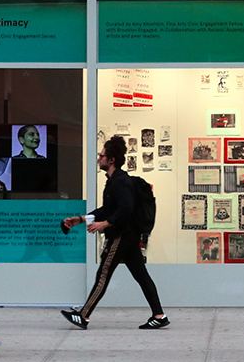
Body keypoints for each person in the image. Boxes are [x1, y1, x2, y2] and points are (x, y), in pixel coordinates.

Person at [60, 135, 169, 330]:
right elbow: (108, 209)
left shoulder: (120, 182)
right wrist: (81, 219)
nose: (99, 159)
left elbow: (125, 209)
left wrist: (105, 224)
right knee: (141, 275)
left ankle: (83, 316)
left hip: (122, 235)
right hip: (127, 235)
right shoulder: (114, 181)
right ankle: (159, 315)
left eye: (102, 156)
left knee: (103, 273)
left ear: (111, 160)